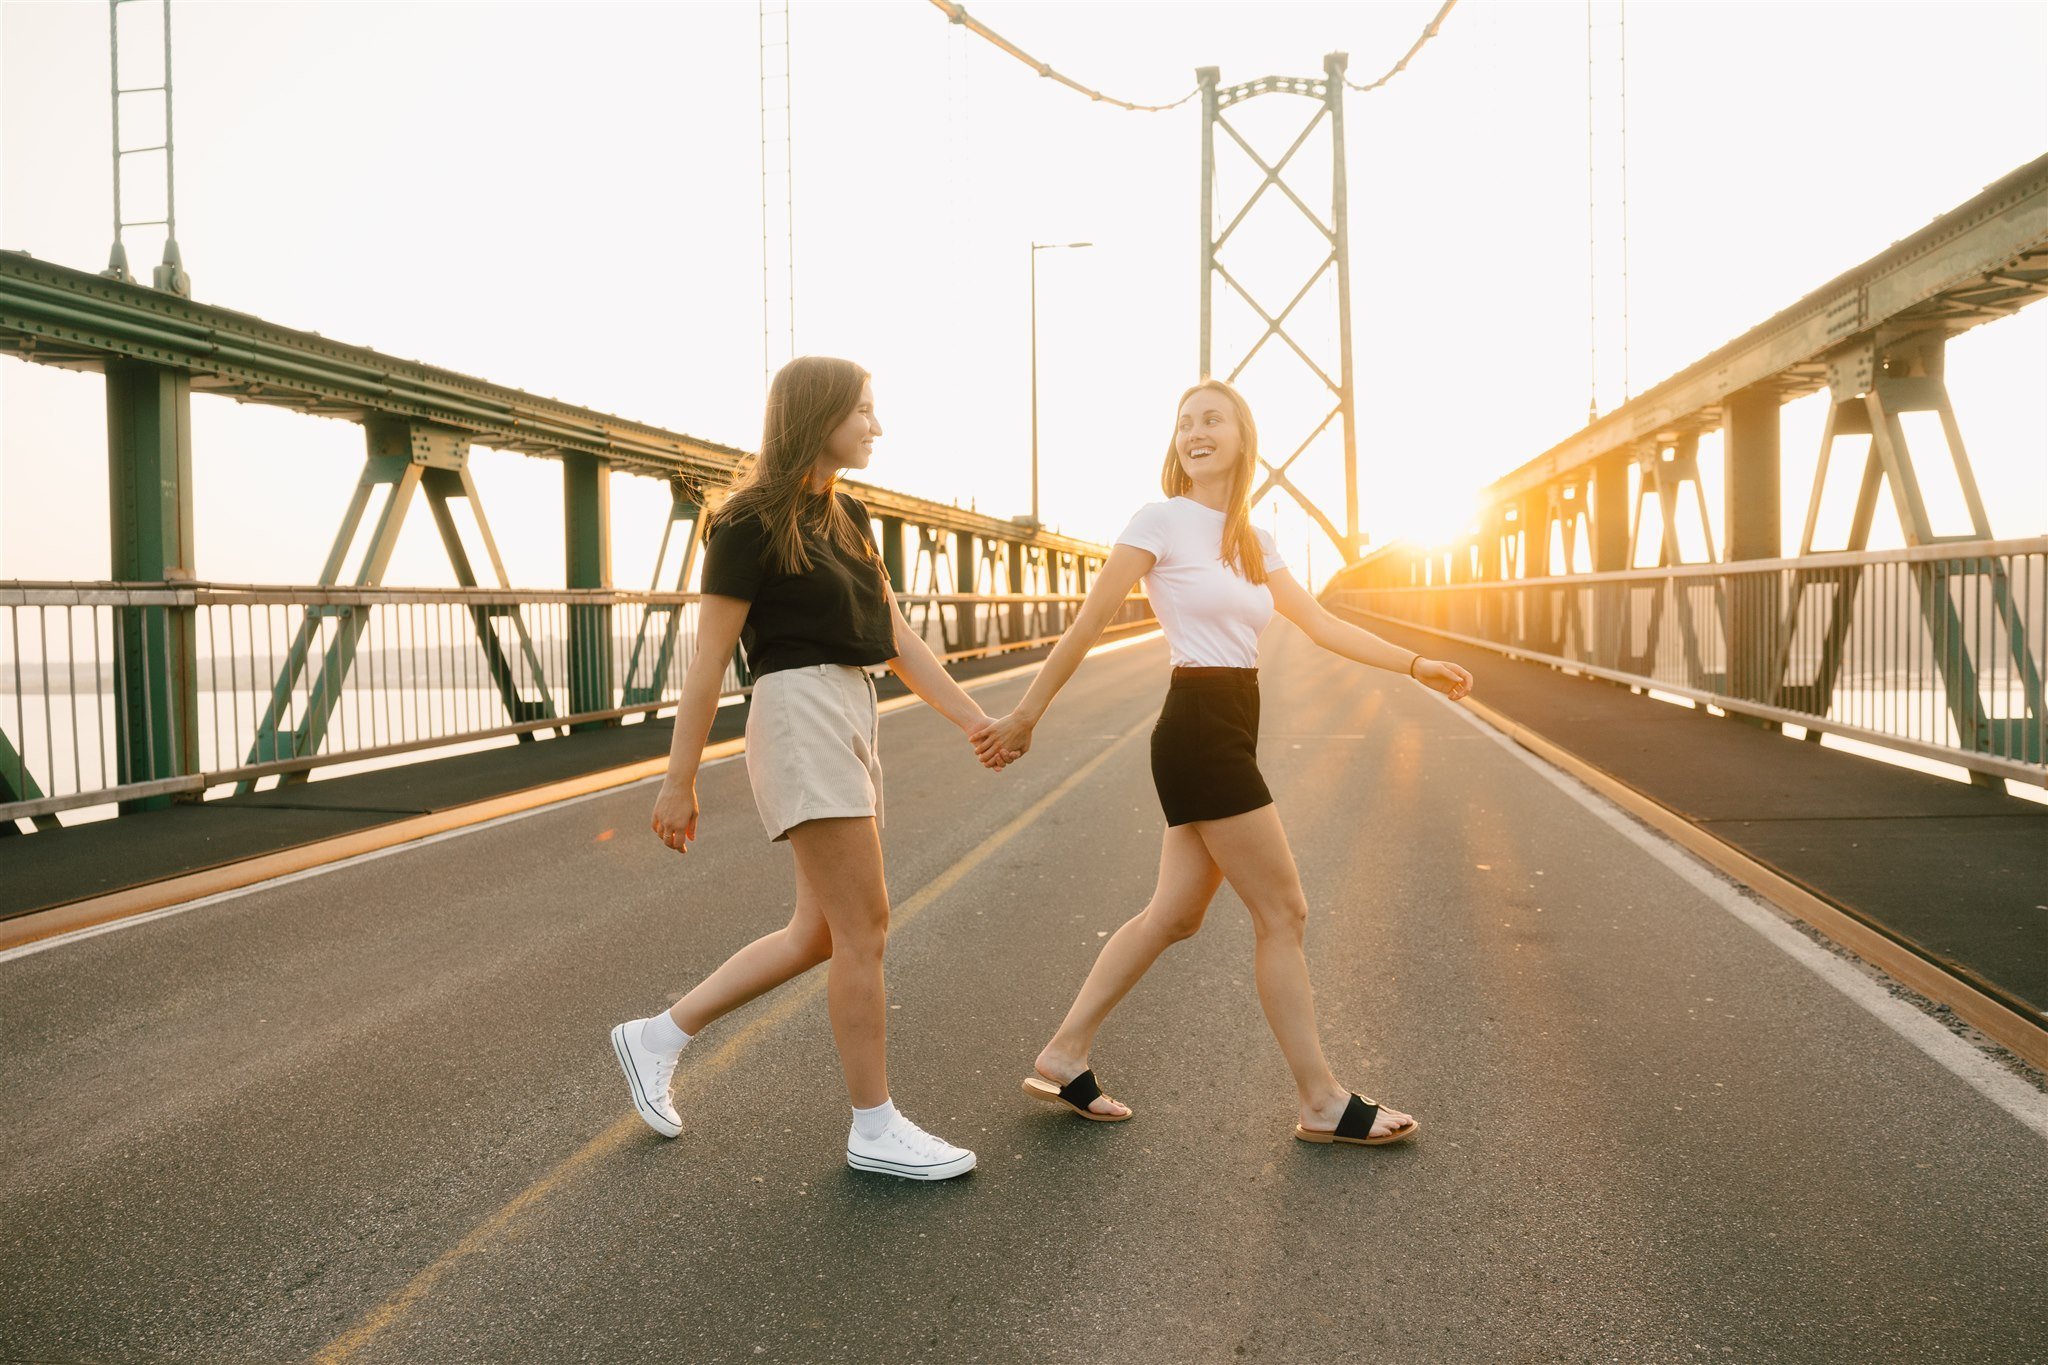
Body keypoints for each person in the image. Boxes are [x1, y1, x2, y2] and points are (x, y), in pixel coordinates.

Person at [972, 379, 1473, 1149]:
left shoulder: (1252, 537)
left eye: (1212, 420)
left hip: (1233, 720)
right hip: (1198, 726)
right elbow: (1089, 621)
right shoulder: (1159, 519)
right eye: (1183, 423)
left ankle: (1063, 1052)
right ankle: (1320, 1098)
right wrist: (1027, 714)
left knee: (1174, 914)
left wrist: (1414, 663)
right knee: (1285, 911)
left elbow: (1319, 623)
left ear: (1243, 436)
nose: (1194, 432)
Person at [615, 355, 1013, 1181]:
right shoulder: (748, 521)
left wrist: (975, 719)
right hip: (798, 716)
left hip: (852, 714)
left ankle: (657, 1035)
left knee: (821, 932)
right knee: (864, 926)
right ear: (817, 413)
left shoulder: (849, 513)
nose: (877, 425)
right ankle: (874, 1126)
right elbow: (709, 660)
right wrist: (676, 779)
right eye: (863, 409)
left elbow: (897, 638)